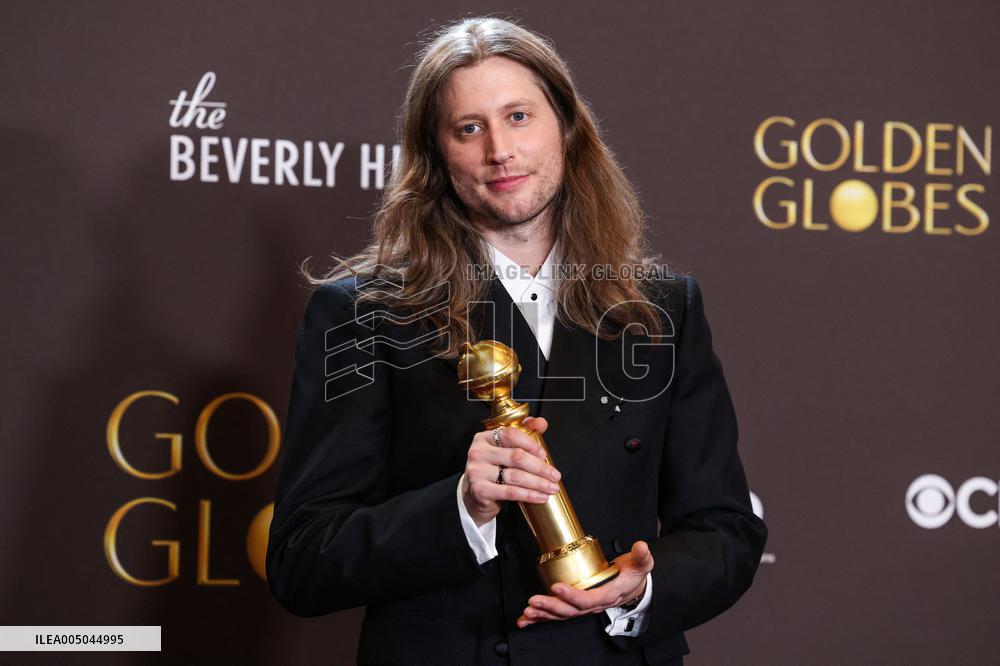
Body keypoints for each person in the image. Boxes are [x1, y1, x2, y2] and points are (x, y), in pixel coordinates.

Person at [266, 16, 767, 666]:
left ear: (567, 126)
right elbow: (303, 559)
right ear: (436, 154)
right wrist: (461, 507)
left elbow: (725, 529)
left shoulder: (663, 309)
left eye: (519, 116)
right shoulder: (362, 314)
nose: (499, 149)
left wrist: (641, 588)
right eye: (468, 128)